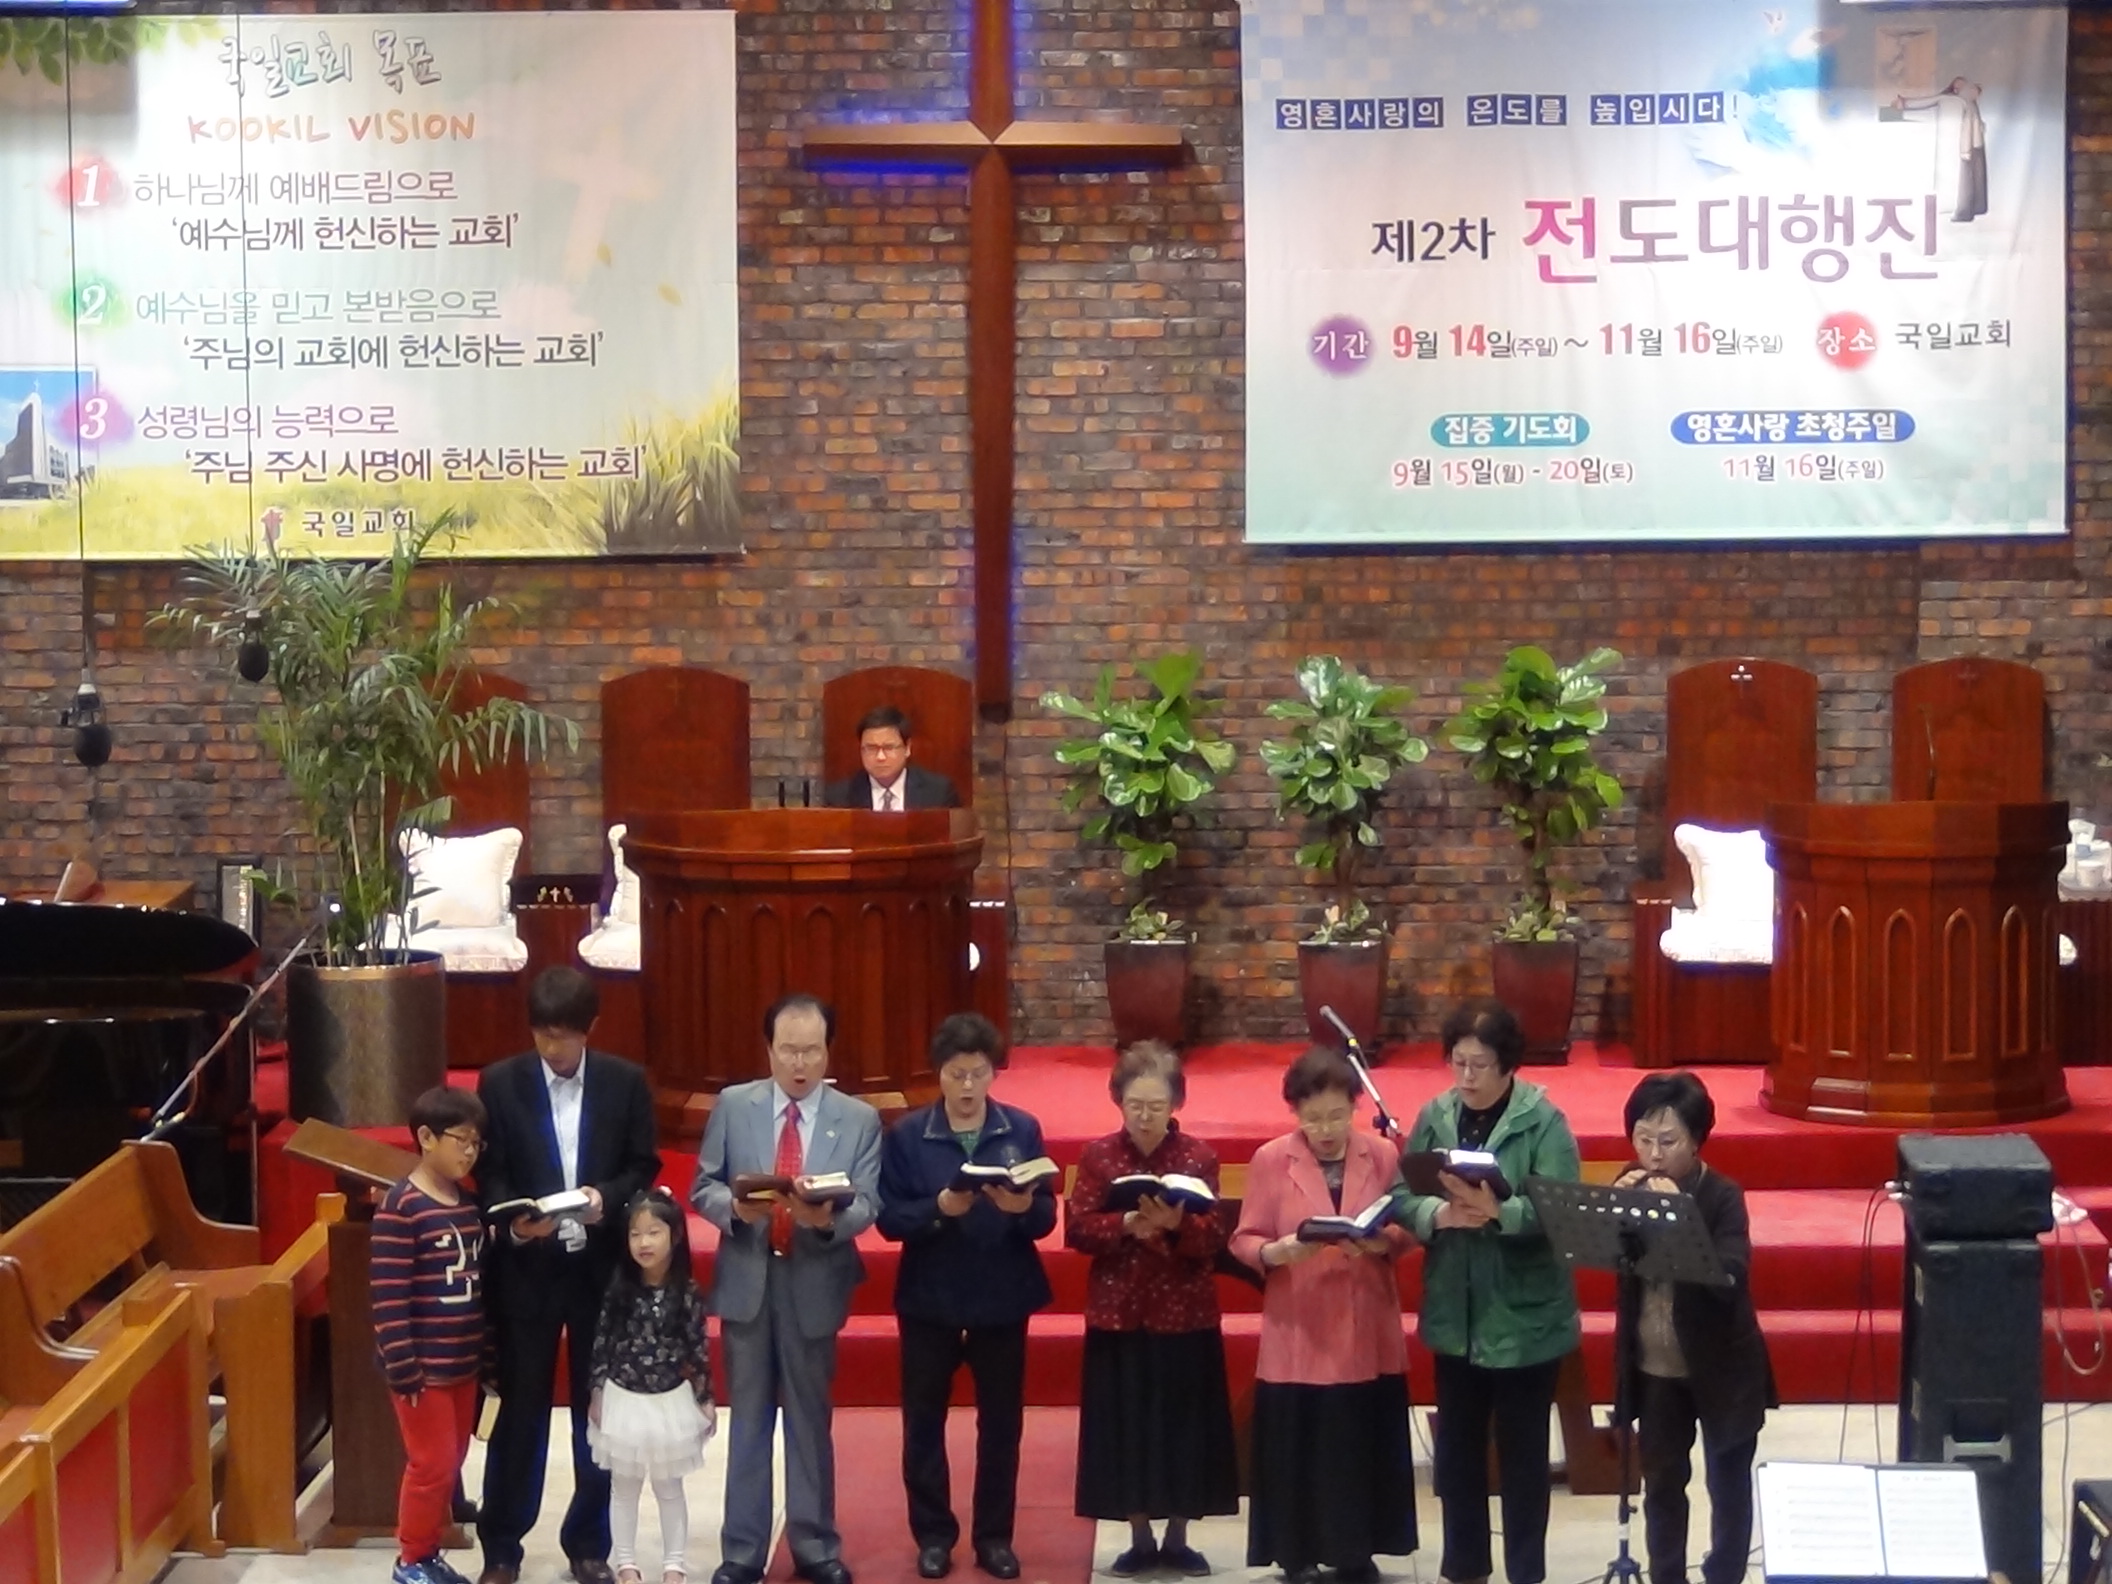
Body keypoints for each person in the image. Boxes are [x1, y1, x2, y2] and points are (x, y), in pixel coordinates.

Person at [477, 967, 663, 1584]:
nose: (553, 1048)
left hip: (599, 1270)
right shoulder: (500, 1082)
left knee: (598, 1412)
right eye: (543, 1034)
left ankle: (589, 1544)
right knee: (521, 1411)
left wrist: (604, 1197)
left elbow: (642, 1164)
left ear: (591, 1029)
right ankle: (502, 1546)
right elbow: (490, 1173)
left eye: (564, 1036)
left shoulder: (624, 1082)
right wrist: (515, 1223)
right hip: (527, 1270)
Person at [691, 993, 883, 1584]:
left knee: (808, 1419)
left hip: (813, 1277)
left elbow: (869, 1203)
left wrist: (826, 1220)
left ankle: (815, 1544)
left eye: (812, 1051)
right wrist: (735, 1210)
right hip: (749, 1277)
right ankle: (742, 1550)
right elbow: (704, 1185)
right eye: (788, 1050)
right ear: (768, 1049)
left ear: (829, 1051)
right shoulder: (734, 1105)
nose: (800, 1063)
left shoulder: (858, 1119)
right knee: (748, 1420)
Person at [1395, 998, 1581, 1584]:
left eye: (1480, 1066)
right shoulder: (1435, 1115)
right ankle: (1465, 1568)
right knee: (1457, 1458)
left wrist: (1501, 1211)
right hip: (1458, 1313)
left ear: (1508, 1066)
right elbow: (1401, 1194)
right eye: (1458, 1063)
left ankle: (1526, 1572)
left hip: (1524, 1319)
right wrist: (1438, 1215)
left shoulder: (1543, 1122)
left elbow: (1562, 1210)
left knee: (1523, 1461)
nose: (1467, 1077)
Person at [877, 1013, 1056, 1581]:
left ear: (992, 1073)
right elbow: (889, 1220)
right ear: (939, 1074)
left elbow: (1046, 1216)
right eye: (957, 1074)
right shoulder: (908, 1135)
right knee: (923, 1423)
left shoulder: (1020, 1128)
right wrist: (939, 1209)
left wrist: (1023, 1208)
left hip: (1001, 1295)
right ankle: (933, 1536)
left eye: (978, 1073)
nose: (968, 1086)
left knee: (1001, 1425)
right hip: (929, 1297)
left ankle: (994, 1538)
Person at [1231, 1047, 1417, 1584]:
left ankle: (1357, 1550)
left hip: (1364, 1319)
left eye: (1337, 1116)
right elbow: (1245, 1239)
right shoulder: (1271, 1159)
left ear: (1355, 1107)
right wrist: (1279, 1251)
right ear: (1295, 1112)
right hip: (1300, 1324)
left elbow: (1407, 1225)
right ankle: (1297, 1553)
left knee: (1358, 1440)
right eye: (1313, 1119)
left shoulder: (1381, 1154)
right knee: (1301, 1442)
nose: (1327, 1129)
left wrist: (1381, 1242)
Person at [1066, 1041, 1238, 1577]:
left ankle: (1179, 1536)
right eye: (1135, 1105)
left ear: (1175, 1104)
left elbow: (1215, 1235)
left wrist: (1174, 1224)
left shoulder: (1198, 1157)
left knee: (1185, 1426)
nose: (1145, 1117)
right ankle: (1139, 1536)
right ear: (1118, 1101)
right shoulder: (1099, 1157)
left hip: (1184, 1311)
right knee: (1126, 1426)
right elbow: (1077, 1228)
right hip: (1119, 1311)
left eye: (1156, 1107)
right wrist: (1124, 1225)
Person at [1614, 1073, 1775, 1584]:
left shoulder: (1722, 1196)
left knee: (1727, 1484)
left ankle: (1724, 1573)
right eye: (1643, 1139)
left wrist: (1676, 1219)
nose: (1653, 1155)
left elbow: (1729, 1276)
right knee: (1662, 1483)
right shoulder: (1630, 1184)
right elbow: (1610, 1257)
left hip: (1723, 1367)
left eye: (1668, 1142)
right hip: (1655, 1365)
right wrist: (1613, 1218)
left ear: (1697, 1140)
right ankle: (1667, 1576)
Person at [374, 1086, 491, 1584]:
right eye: (461, 1140)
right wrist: (403, 1365)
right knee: (431, 1465)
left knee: (453, 1461)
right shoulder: (401, 1207)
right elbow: (388, 1296)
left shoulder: (467, 1204)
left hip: (462, 1361)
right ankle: (410, 1560)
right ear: (425, 1137)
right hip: (422, 1369)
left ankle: (428, 1552)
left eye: (476, 1143)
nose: (469, 1152)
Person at [589, 1188, 718, 1584]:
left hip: (668, 1400)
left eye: (653, 1232)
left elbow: (697, 1348)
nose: (643, 1242)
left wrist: (705, 1397)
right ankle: (626, 1564)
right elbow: (603, 1341)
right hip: (623, 1397)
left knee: (669, 1487)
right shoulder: (619, 1288)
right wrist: (597, 1390)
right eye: (635, 1234)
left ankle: (674, 1565)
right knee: (623, 1487)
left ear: (674, 1236)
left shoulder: (687, 1292)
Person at [822, 705, 962, 810]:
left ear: (907, 748)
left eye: (889, 748)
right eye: (871, 748)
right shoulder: (839, 798)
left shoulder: (938, 792)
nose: (880, 757)